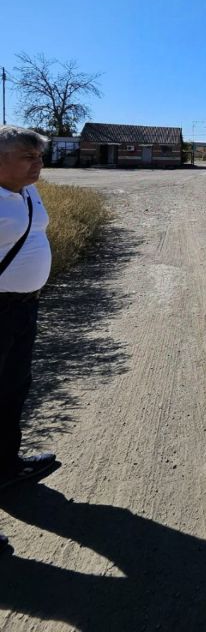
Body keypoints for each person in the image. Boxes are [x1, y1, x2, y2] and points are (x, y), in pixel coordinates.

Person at [0, 126, 58, 553]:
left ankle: (6, 466)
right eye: (27, 156)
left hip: (23, 308)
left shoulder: (28, 192)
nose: (38, 164)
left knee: (12, 390)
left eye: (40, 156)